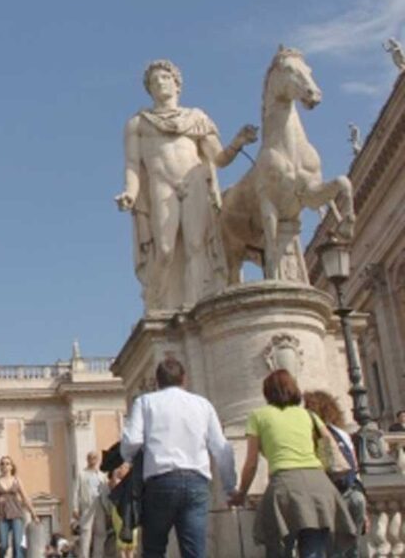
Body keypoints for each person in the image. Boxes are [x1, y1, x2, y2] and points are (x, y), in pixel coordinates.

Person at [116, 59, 258, 311]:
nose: (160, 83)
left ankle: (194, 305)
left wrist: (238, 142)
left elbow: (218, 159)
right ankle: (157, 303)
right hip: (162, 186)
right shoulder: (139, 123)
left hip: (194, 182)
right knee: (166, 249)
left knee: (196, 245)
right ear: (149, 89)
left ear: (177, 84)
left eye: (165, 78)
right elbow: (132, 165)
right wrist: (130, 192)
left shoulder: (197, 118)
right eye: (154, 81)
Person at [229, 371, 357, 557]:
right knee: (314, 549)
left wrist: (242, 492)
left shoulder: (258, 416)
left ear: (267, 392)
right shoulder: (309, 416)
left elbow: (251, 464)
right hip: (318, 484)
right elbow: (329, 442)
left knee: (278, 545)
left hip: (285, 485)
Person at [120, 356, 236, 557]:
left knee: (154, 550)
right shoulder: (203, 404)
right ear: (184, 379)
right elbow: (221, 448)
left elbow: (131, 441)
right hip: (196, 482)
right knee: (194, 552)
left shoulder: (145, 402)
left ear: (157, 382)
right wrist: (230, 486)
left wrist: (131, 459)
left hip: (159, 482)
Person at [304, 390, 367, 558]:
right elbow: (354, 468)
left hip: (332, 498)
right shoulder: (342, 434)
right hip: (355, 495)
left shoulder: (314, 434)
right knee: (353, 550)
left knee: (334, 550)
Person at [0, 456, 35, 558]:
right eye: (2, 463)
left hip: (16, 514)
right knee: (4, 544)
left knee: (18, 544)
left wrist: (33, 513)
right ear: (0, 466)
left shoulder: (16, 480)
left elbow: (25, 498)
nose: (5, 465)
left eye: (7, 463)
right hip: (1, 515)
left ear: (11, 466)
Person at [74, 451, 108, 558]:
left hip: (100, 503)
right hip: (87, 505)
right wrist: (75, 507)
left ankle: (98, 555)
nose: (92, 460)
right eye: (91, 458)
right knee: (85, 532)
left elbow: (106, 492)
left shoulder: (102, 475)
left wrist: (108, 509)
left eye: (95, 458)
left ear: (97, 460)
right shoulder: (82, 474)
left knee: (100, 532)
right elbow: (76, 491)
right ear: (87, 459)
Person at [107, 463, 137, 558]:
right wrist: (115, 474)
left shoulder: (133, 481)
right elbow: (113, 486)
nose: (120, 469)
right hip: (119, 513)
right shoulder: (117, 482)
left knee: (132, 540)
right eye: (119, 467)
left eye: (122, 467)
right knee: (121, 541)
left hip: (132, 511)